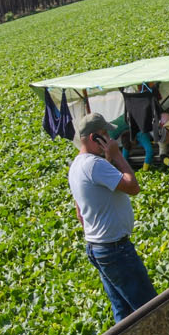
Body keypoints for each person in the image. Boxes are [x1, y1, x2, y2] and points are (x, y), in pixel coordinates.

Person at [68, 114, 156, 323]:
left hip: (97, 247)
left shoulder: (76, 166)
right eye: (105, 134)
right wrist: (117, 156)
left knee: (124, 313)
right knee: (150, 310)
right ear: (94, 138)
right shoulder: (95, 165)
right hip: (115, 250)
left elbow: (80, 213)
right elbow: (133, 187)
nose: (110, 139)